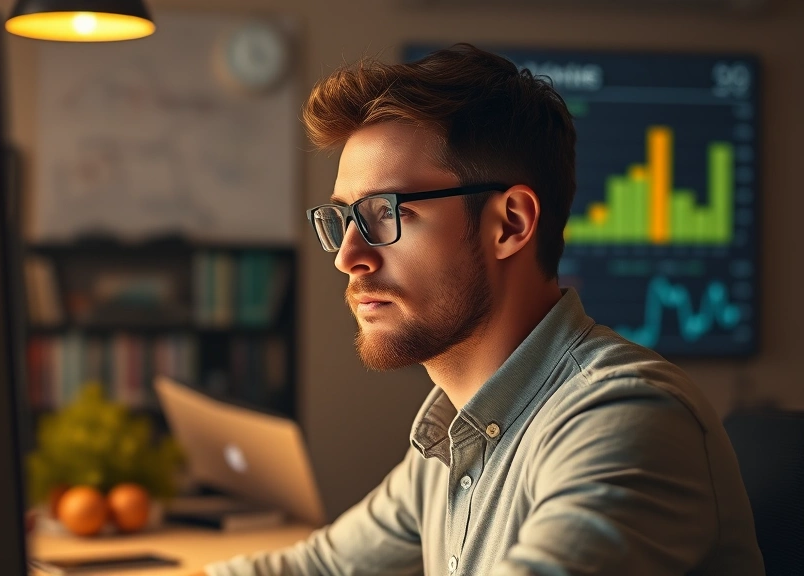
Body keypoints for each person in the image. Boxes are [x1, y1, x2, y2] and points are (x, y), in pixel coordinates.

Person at [199, 44, 764, 576]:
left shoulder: (624, 418)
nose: (349, 256)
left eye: (384, 213)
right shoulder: (456, 432)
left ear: (510, 224)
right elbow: (316, 568)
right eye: (344, 218)